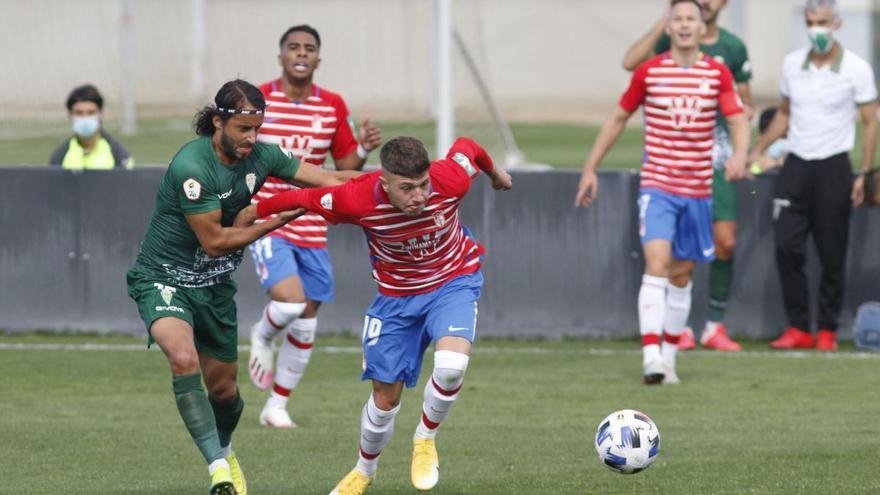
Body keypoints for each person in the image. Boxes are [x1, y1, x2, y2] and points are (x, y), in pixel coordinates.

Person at [126, 79, 360, 495]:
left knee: (226, 394)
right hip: (163, 278)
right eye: (243, 129)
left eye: (257, 128)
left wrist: (387, 184)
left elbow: (326, 177)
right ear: (218, 122)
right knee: (183, 359)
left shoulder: (263, 155)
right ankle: (218, 469)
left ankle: (225, 450)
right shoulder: (192, 166)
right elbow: (215, 242)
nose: (252, 137)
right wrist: (278, 218)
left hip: (215, 288)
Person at [241, 136, 512, 494]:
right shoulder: (356, 199)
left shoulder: (450, 178)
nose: (419, 196)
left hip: (453, 282)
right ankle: (363, 471)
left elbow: (468, 146)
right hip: (396, 300)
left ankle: (425, 439)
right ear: (385, 183)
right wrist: (251, 213)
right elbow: (302, 198)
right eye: (407, 188)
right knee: (385, 400)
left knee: (451, 368)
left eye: (422, 185)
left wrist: (495, 174)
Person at [574, 0, 748, 384]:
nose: (684, 25)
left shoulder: (717, 73)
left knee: (682, 275)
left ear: (702, 26)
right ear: (668, 26)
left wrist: (739, 155)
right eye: (677, 19)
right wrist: (590, 167)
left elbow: (737, 118)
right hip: (658, 186)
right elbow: (619, 117)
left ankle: (668, 359)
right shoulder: (650, 71)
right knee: (657, 263)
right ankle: (650, 357)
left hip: (698, 190)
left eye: (691, 19)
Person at [246, 24, 383, 429]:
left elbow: (344, 167)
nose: (301, 53)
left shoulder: (332, 105)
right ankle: (262, 335)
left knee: (306, 320)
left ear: (318, 59)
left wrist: (363, 148)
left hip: (312, 223)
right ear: (281, 56)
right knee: (289, 303)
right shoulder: (259, 99)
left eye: (309, 48)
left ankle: (276, 406)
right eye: (294, 47)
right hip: (268, 218)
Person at [623, 0, 752, 352]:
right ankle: (671, 335)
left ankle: (713, 324)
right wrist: (661, 23)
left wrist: (741, 144)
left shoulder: (732, 48)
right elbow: (631, 63)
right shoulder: (672, 39)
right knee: (662, 258)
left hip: (717, 154)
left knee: (725, 241)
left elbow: (743, 102)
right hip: (671, 161)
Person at [750, 0, 878, 352]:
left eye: (822, 22)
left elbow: (870, 122)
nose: (816, 29)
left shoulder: (857, 68)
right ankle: (798, 326)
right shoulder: (792, 64)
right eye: (810, 22)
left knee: (832, 252)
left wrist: (863, 171)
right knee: (786, 247)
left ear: (836, 23)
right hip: (796, 164)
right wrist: (757, 149)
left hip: (834, 165)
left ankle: (826, 329)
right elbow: (784, 114)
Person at [49, 84, 133, 170]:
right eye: (79, 113)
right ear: (70, 115)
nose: (85, 118)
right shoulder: (60, 155)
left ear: (101, 114)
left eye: (91, 113)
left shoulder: (117, 152)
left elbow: (128, 177)